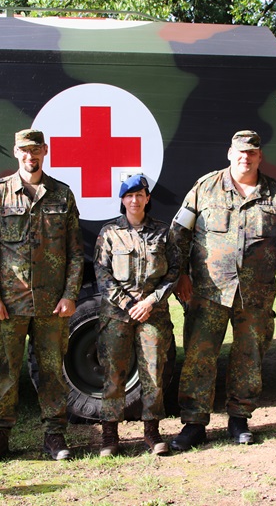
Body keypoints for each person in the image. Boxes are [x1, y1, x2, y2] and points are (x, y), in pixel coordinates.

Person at [169, 130, 276, 450]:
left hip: (256, 293)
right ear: (230, 153)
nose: (246, 157)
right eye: (240, 152)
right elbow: (177, 233)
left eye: (252, 152)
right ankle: (194, 424)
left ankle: (239, 419)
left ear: (259, 156)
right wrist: (180, 274)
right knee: (199, 356)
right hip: (209, 291)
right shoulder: (205, 188)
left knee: (249, 356)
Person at [0, 128, 84, 463]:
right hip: (9, 303)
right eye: (24, 150)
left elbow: (76, 253)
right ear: (15, 152)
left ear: (45, 152)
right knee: (6, 370)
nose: (30, 156)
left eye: (36, 150)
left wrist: (70, 294)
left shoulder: (62, 195)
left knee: (52, 370)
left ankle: (54, 436)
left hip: (52, 304)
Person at [94, 174, 180, 457]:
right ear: (122, 200)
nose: (134, 200)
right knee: (113, 376)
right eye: (129, 196)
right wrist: (127, 303)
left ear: (147, 198)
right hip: (116, 316)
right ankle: (110, 436)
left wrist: (151, 302)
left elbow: (174, 272)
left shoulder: (163, 232)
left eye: (139, 195)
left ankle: (152, 433)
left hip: (152, 315)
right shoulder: (109, 233)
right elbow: (102, 273)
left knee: (153, 374)